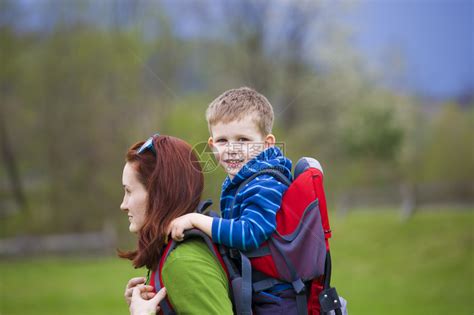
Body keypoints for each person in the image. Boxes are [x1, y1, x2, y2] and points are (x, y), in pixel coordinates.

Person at [168, 87, 292, 257]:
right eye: (222, 141)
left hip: (272, 283)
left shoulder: (265, 182)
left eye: (243, 140)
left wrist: (195, 220)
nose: (232, 149)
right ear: (212, 146)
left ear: (267, 144)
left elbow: (248, 234)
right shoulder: (244, 179)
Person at [119, 134, 233, 314]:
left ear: (158, 194)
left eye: (129, 191)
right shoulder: (174, 252)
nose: (123, 205)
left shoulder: (182, 262)